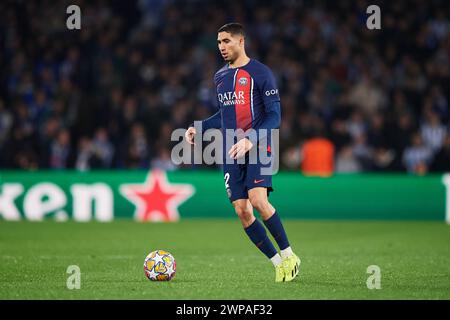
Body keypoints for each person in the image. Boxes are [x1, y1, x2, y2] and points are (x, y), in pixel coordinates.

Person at [185, 23, 300, 282]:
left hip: (258, 145)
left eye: (226, 41)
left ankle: (290, 254)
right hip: (231, 149)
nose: (222, 47)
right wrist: (198, 127)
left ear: (240, 41)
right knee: (242, 210)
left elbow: (275, 116)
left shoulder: (261, 73)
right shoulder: (220, 77)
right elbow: (225, 116)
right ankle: (278, 263)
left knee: (258, 200)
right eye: (218, 43)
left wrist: (251, 138)